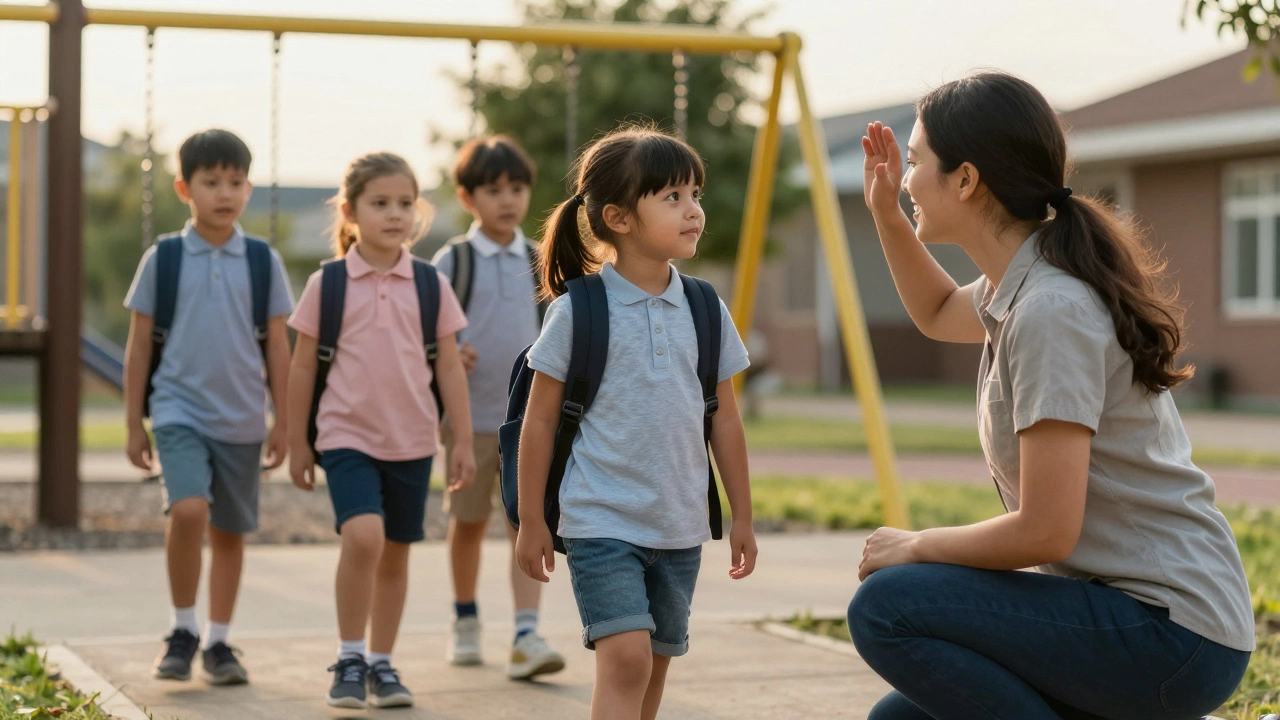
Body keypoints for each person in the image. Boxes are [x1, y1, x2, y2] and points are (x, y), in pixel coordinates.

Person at [847, 71, 1254, 720]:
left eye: (916, 163)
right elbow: (937, 311)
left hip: (1172, 633)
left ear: (966, 180)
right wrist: (886, 215)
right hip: (1130, 618)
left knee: (886, 605)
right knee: (898, 718)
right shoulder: (1020, 283)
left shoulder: (1050, 310)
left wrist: (916, 545)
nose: (906, 180)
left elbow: (1046, 530)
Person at [515, 126, 758, 720]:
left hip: (679, 523)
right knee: (626, 661)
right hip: (600, 518)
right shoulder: (578, 310)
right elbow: (538, 421)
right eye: (673, 197)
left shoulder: (705, 307)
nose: (694, 210)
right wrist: (531, 520)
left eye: (695, 194)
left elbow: (725, 420)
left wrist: (743, 515)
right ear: (619, 218)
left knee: (653, 665)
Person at [287, 152, 476, 709]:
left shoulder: (429, 283)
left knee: (395, 554)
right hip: (345, 435)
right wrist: (296, 440)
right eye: (380, 203)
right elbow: (302, 366)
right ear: (349, 211)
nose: (395, 214)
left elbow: (448, 366)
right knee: (364, 537)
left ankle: (381, 663)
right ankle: (349, 657)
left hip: (413, 439)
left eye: (405, 203)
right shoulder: (328, 283)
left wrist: (462, 440)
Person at [123, 128, 294, 686]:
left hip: (243, 418)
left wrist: (284, 421)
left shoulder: (263, 261)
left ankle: (219, 642)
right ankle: (182, 629)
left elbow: (279, 348)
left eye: (236, 182)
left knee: (229, 531)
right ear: (184, 188)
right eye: (211, 181)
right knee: (189, 509)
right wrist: (133, 423)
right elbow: (138, 347)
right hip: (177, 410)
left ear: (249, 188)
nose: (225, 192)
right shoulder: (164, 259)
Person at [431, 135, 566, 679]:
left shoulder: (540, 259)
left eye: (516, 188)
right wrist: (444, 352)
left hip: (526, 422)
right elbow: (425, 331)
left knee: (525, 522)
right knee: (467, 523)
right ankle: (465, 620)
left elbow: (558, 327)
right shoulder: (453, 260)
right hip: (467, 422)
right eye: (493, 190)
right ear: (467, 198)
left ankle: (526, 634)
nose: (507, 200)